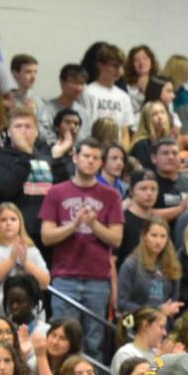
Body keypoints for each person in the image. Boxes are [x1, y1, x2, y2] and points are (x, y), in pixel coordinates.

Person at [39, 136, 122, 362]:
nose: (90, 161)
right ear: (75, 158)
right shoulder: (57, 192)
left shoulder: (111, 196)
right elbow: (46, 236)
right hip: (64, 277)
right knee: (61, 342)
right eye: (86, 156)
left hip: (98, 279)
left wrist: (93, 224)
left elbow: (116, 239)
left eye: (96, 158)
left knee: (93, 345)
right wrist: (75, 225)